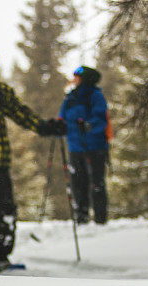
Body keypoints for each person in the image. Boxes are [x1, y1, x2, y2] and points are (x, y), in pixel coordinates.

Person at [0, 45, 66, 274]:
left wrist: (45, 127)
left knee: (6, 214)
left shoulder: (0, 91)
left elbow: (20, 113)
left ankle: (0, 259)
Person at [59, 66, 113, 225]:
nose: (74, 79)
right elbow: (62, 117)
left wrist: (89, 126)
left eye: (77, 76)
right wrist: (57, 126)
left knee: (96, 183)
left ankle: (100, 219)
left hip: (95, 147)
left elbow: (101, 118)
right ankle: (81, 217)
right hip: (75, 147)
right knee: (78, 183)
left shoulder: (95, 95)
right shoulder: (70, 97)